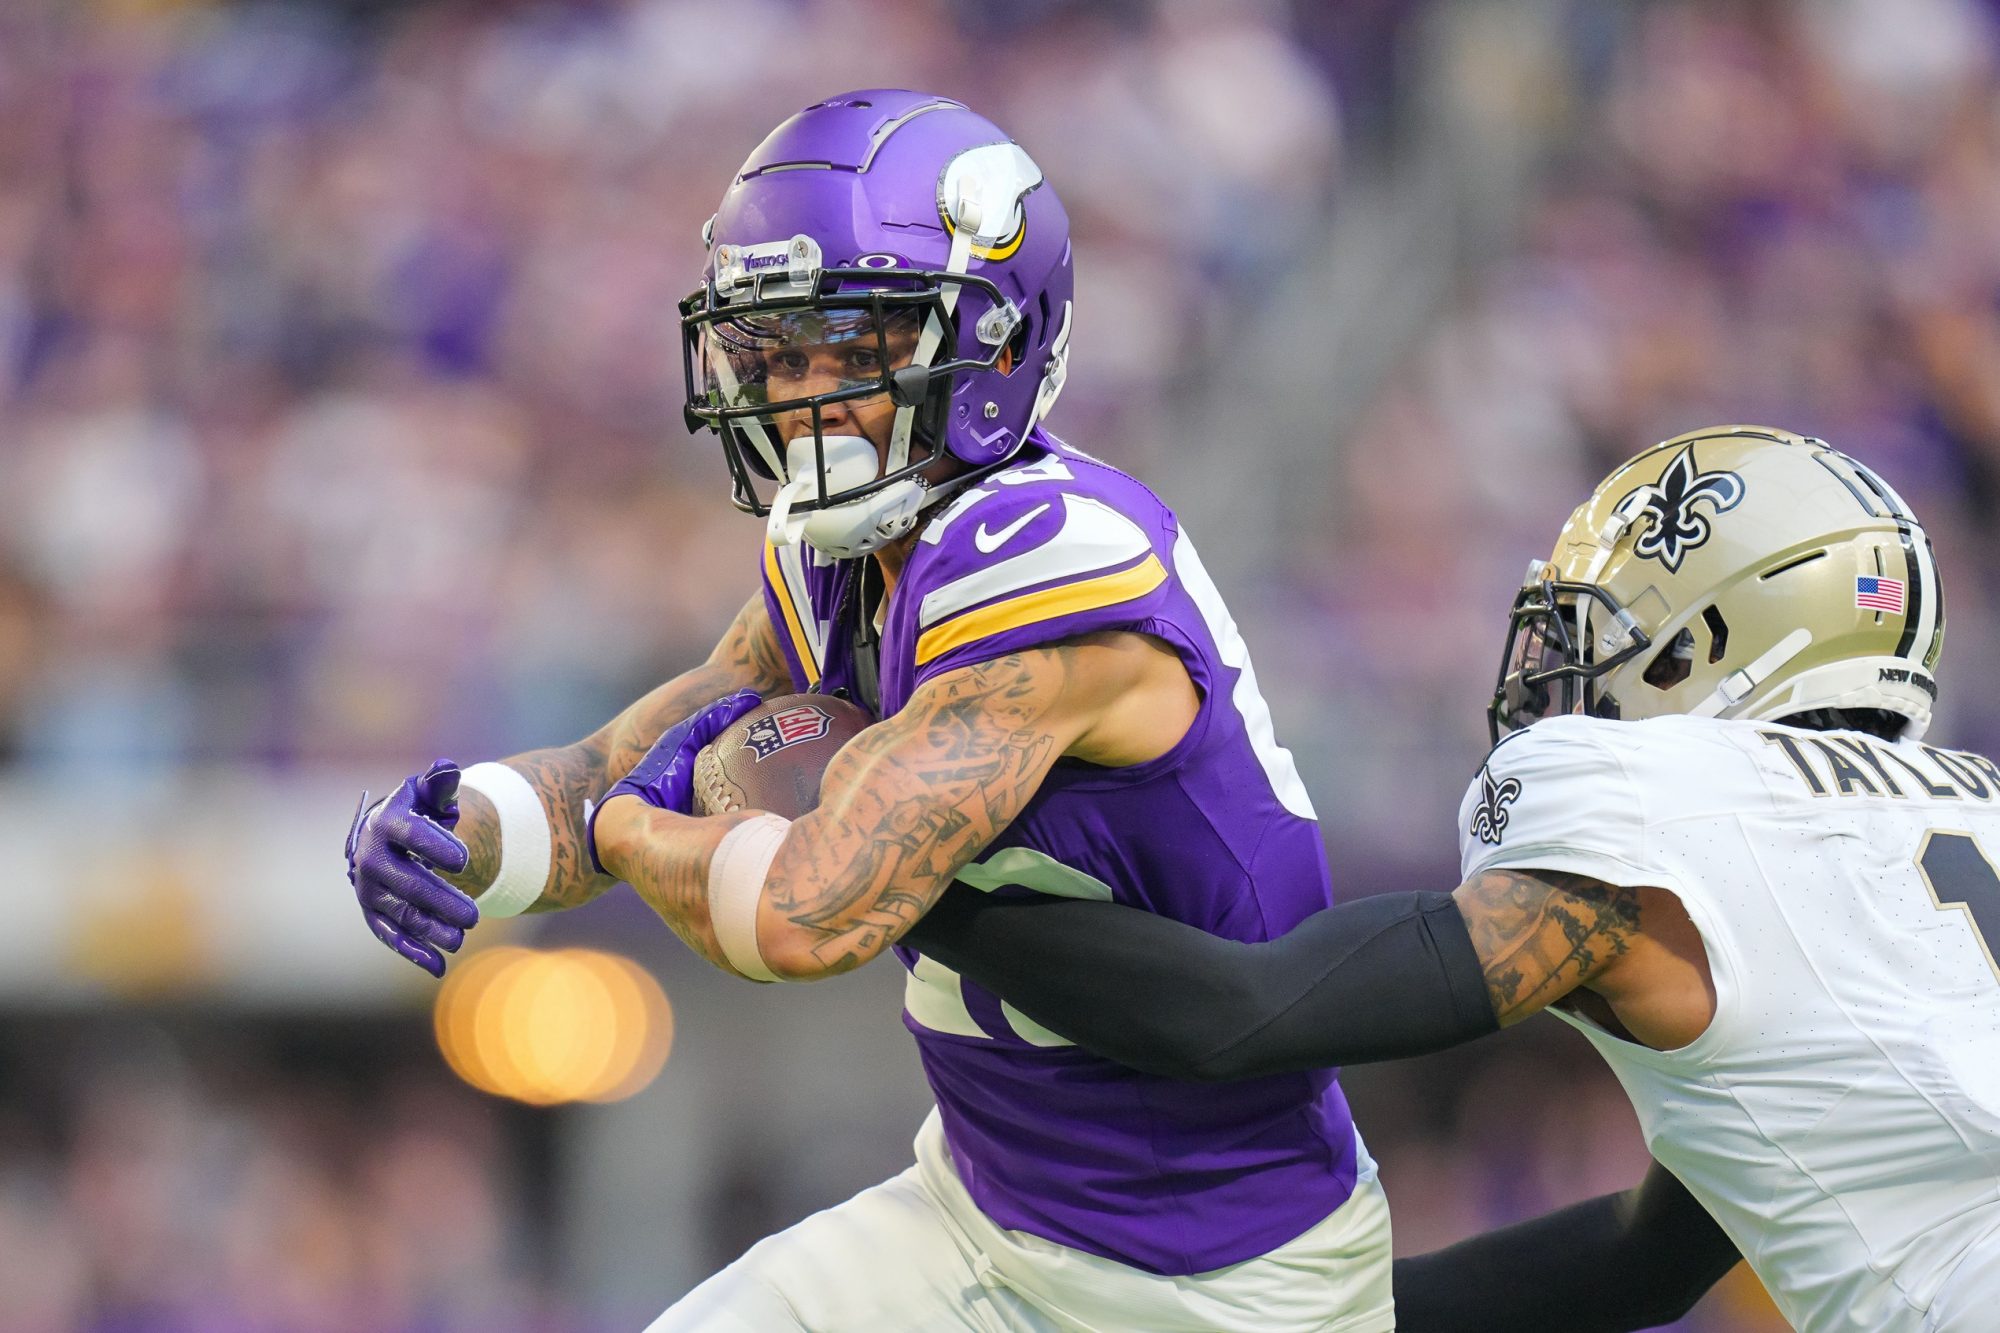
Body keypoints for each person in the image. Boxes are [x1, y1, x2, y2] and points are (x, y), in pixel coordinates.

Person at [345, 89, 1404, 1331]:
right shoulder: (845, 551)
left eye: (853, 349)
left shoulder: (1050, 565)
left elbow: (807, 914)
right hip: (977, 1211)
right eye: (776, 353)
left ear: (998, 341)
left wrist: (638, 829)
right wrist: (460, 826)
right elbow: (623, 758)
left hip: (1221, 1282)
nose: (802, 400)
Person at [900, 424, 2000, 1333]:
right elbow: (1647, 1253)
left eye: (1603, 635)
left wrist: (915, 881)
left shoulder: (1674, 812)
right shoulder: (1956, 809)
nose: (1561, 671)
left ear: (1710, 643)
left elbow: (1236, 1011)